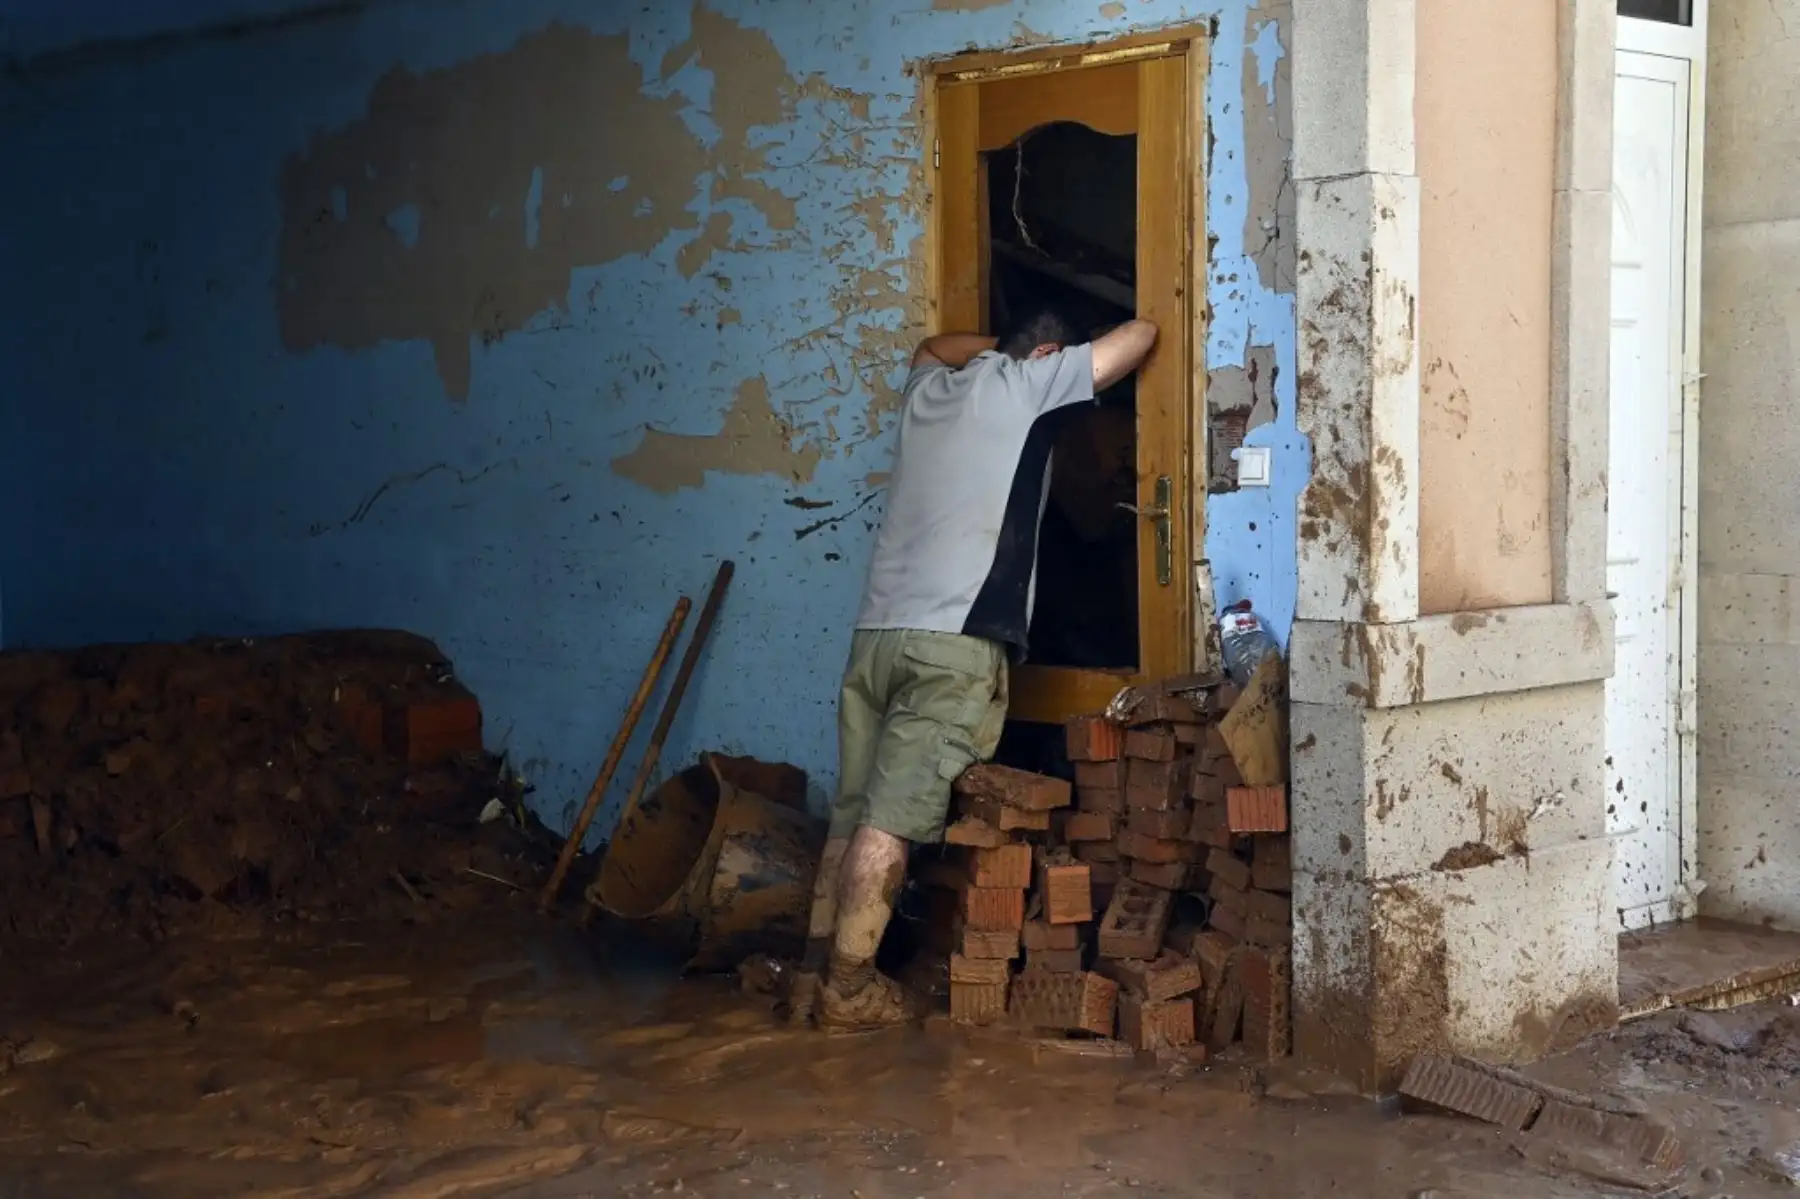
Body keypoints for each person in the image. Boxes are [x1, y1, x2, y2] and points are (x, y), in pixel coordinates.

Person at [789, 307, 1159, 1030]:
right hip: (950, 641)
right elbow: (1140, 336)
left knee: (852, 813)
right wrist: (1034, 361)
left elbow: (931, 344)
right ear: (1045, 353)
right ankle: (849, 986)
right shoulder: (1026, 388)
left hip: (877, 633)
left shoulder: (929, 392)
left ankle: (808, 973)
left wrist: (1005, 346)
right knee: (890, 823)